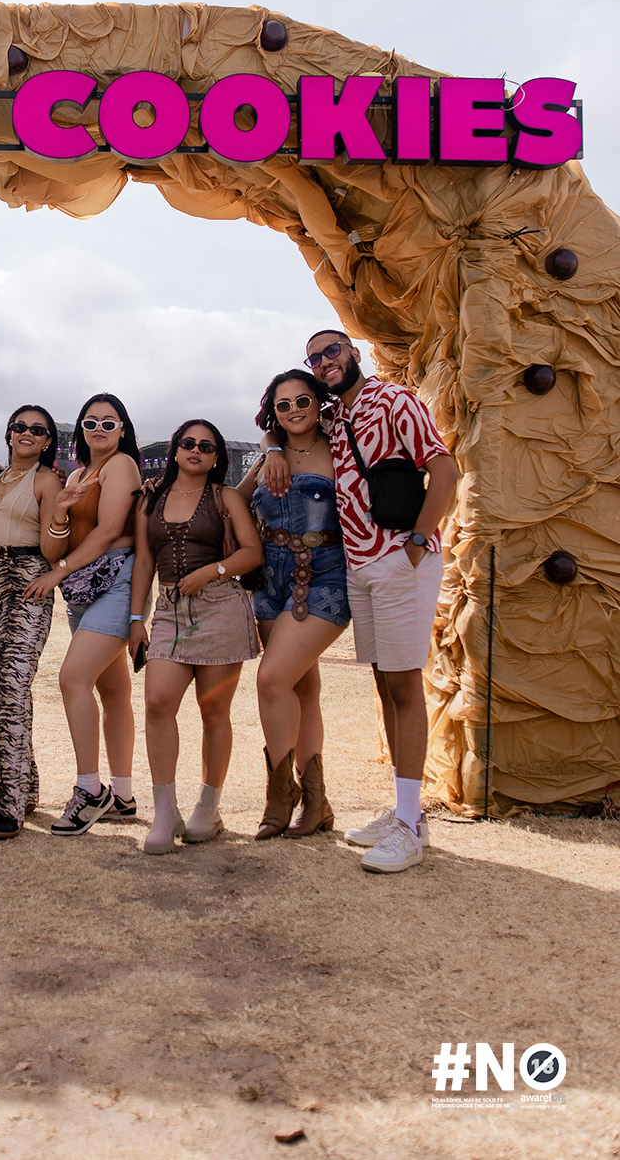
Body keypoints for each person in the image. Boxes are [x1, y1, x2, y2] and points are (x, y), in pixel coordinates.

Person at [264, 331, 458, 873]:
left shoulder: (394, 400)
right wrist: (272, 447)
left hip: (400, 558)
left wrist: (416, 542)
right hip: (360, 565)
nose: (325, 362)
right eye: (315, 357)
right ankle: (405, 811)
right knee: (384, 683)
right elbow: (285, 424)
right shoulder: (335, 416)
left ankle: (409, 825)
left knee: (404, 685)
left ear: (353, 352)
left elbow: (444, 468)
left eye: (333, 351)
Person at [128, 420, 263, 854]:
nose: (196, 450)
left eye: (206, 446)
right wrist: (136, 618)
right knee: (157, 703)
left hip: (220, 605)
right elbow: (144, 561)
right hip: (169, 610)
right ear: (175, 450)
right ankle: (165, 812)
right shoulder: (151, 498)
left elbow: (251, 552)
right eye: (188, 443)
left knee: (214, 709)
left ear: (217, 456)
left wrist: (211, 571)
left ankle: (208, 807)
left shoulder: (226, 498)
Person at [237, 371, 350, 842]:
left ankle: (281, 796)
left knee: (272, 679)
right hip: (270, 582)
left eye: (303, 400)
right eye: (283, 405)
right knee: (303, 689)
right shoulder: (270, 453)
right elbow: (235, 501)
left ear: (318, 401)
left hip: (323, 577)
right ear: (274, 413)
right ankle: (317, 803)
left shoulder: (341, 447)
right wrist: (271, 449)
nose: (294, 410)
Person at [23, 394, 142, 837]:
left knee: (73, 678)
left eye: (109, 423)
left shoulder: (121, 466)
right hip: (83, 589)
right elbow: (56, 543)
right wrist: (59, 510)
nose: (99, 430)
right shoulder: (75, 476)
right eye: (90, 423)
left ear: (122, 430)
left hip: (116, 581)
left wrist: (58, 572)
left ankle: (89, 790)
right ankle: (123, 796)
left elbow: (110, 530)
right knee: (113, 692)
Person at [0, 406, 61, 841]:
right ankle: (25, 787)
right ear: (9, 433)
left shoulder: (47, 481)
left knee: (13, 685)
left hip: (28, 578)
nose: (27, 433)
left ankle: (8, 801)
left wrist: (61, 515)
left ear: (47, 441)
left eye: (38, 430)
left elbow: (53, 550)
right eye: (20, 427)